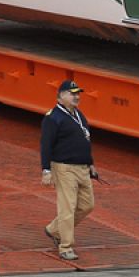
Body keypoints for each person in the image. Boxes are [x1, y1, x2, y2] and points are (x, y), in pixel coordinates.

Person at [40, 79, 96, 262]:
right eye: (72, 94)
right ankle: (65, 247)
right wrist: (46, 170)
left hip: (82, 168)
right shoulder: (53, 118)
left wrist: (91, 163)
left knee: (87, 205)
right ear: (60, 96)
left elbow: (85, 140)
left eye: (78, 93)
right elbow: (46, 145)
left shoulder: (78, 114)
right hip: (64, 168)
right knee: (67, 208)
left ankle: (54, 229)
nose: (76, 96)